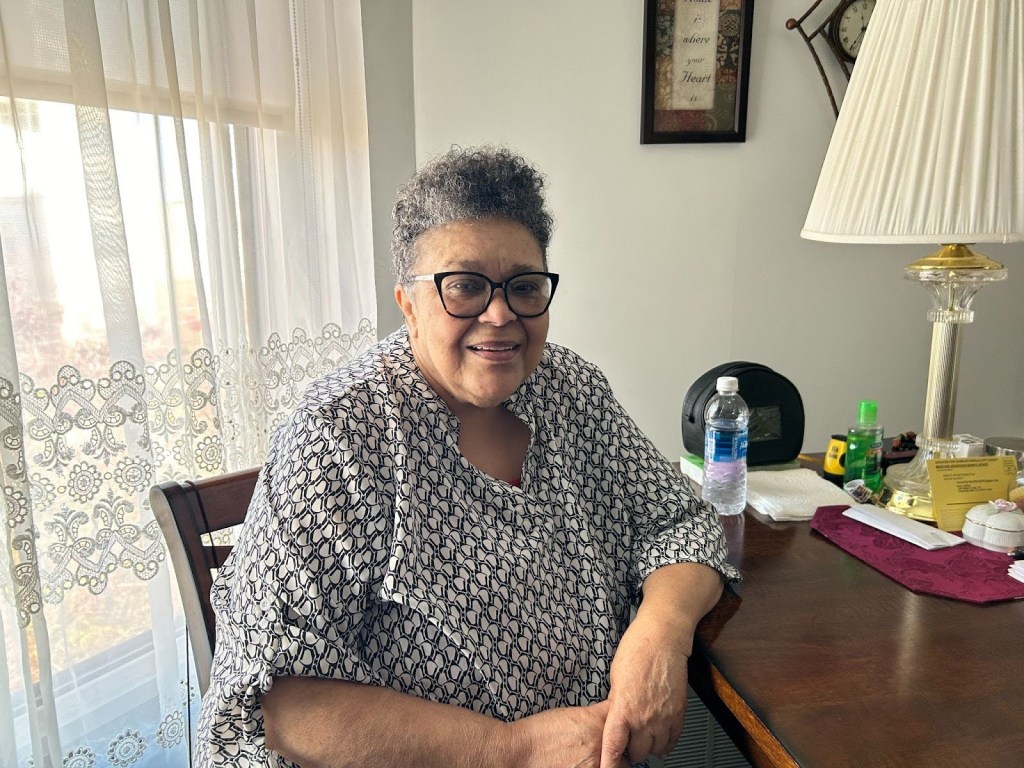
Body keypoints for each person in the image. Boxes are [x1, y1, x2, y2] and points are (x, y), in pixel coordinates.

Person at [195, 145, 740, 768]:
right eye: (465, 287)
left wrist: (661, 632)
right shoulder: (342, 435)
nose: (501, 314)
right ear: (408, 303)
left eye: (525, 287)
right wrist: (512, 749)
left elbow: (678, 521)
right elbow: (279, 703)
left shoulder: (570, 389)